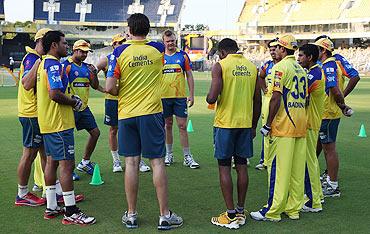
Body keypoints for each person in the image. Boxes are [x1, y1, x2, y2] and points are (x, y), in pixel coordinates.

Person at [106, 13, 182, 230]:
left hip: (127, 113)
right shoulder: (158, 49)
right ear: (148, 30)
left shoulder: (119, 52)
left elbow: (110, 87)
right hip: (151, 112)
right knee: (157, 162)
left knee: (131, 163)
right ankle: (164, 215)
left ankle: (131, 214)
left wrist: (124, 90)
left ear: (129, 29)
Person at [37, 30, 95, 224]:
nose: (66, 46)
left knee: (52, 162)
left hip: (48, 122)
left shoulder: (43, 63)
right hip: (59, 122)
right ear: (54, 45)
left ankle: (51, 206)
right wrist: (73, 102)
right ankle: (70, 211)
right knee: (67, 164)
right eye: (63, 43)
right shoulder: (53, 65)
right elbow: (54, 93)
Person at [250, 34, 307, 221]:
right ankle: (293, 209)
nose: (276, 50)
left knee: (278, 169)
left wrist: (267, 124)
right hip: (300, 125)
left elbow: (275, 97)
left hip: (283, 127)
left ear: (283, 49)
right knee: (296, 171)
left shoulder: (279, 68)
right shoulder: (300, 68)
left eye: (278, 48)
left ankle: (272, 211)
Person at [206, 38, 261, 229]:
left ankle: (229, 215)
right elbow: (257, 101)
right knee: (242, 167)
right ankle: (240, 210)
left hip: (225, 124)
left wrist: (211, 94)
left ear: (222, 52)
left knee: (224, 167)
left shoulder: (220, 66)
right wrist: (253, 126)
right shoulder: (252, 67)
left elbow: (212, 97)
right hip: (245, 124)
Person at [96, 34, 151, 173]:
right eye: (117, 42)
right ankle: (116, 160)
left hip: (131, 99)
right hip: (113, 101)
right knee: (113, 130)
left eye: (123, 42)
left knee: (136, 129)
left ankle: (138, 160)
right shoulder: (107, 60)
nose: (121, 44)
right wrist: (101, 88)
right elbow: (90, 73)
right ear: (113, 45)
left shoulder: (132, 56)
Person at [314, 35, 360, 181]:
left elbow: (337, 85)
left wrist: (341, 99)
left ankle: (332, 182)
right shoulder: (328, 62)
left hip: (327, 112)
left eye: (317, 48)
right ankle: (321, 175)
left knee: (329, 148)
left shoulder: (330, 64)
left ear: (323, 50)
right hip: (323, 111)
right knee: (322, 144)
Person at [15, 28, 50, 207]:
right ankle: (22, 193)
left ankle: (50, 189)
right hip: (31, 114)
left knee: (45, 154)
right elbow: (27, 84)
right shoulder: (32, 58)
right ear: (41, 41)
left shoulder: (37, 59)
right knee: (29, 154)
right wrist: (39, 63)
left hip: (38, 114)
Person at [161, 29, 199, 169]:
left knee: (182, 126)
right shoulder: (159, 57)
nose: (171, 43)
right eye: (168, 41)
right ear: (163, 42)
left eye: (172, 40)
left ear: (175, 40)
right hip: (163, 97)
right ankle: (169, 154)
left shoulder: (182, 56)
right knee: (167, 126)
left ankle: (187, 156)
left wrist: (192, 94)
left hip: (179, 97)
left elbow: (189, 75)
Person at [63, 40, 100, 178]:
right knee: (68, 138)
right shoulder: (65, 66)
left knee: (95, 133)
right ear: (75, 50)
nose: (85, 54)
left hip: (83, 108)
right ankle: (69, 169)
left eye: (86, 52)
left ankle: (84, 162)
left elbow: (95, 86)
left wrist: (94, 74)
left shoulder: (87, 67)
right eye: (82, 51)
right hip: (69, 108)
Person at [297, 44, 325, 212]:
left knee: (308, 162)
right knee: (312, 161)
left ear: (310, 57)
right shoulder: (314, 72)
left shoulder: (313, 75)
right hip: (311, 121)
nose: (298, 58)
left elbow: (299, 91)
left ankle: (313, 201)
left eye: (301, 56)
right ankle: (318, 195)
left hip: (309, 123)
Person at [255, 39, 281, 170]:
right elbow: (260, 76)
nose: (272, 52)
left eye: (274, 49)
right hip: (268, 101)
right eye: (270, 50)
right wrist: (264, 88)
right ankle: (264, 159)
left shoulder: (284, 66)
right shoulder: (267, 65)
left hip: (281, 102)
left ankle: (277, 159)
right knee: (266, 129)